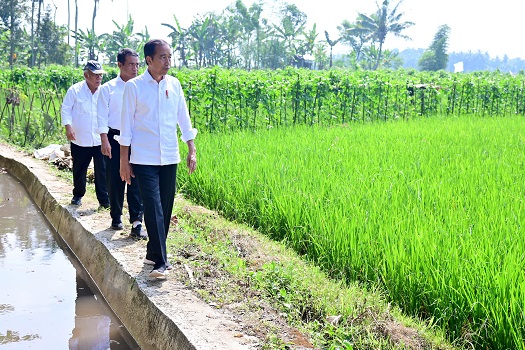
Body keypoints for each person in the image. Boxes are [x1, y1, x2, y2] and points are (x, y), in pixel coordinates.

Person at [119, 39, 197, 279]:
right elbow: (126, 127)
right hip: (143, 158)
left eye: (170, 57)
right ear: (149, 60)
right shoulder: (134, 87)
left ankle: (153, 252)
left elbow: (183, 117)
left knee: (165, 206)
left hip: (169, 156)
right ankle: (161, 263)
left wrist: (191, 149)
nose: (168, 62)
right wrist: (124, 160)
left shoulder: (174, 85)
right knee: (152, 207)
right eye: (162, 57)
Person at [97, 48, 145, 239]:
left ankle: (136, 222)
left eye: (137, 65)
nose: (135, 68)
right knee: (115, 179)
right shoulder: (108, 89)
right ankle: (116, 216)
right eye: (131, 64)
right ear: (120, 65)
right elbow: (101, 116)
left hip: (136, 137)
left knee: (136, 179)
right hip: (114, 137)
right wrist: (104, 140)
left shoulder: (141, 87)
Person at [61, 60, 109, 208]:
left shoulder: (104, 92)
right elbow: (66, 109)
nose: (99, 78)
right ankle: (78, 194)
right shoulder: (75, 91)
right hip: (80, 139)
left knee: (102, 171)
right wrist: (68, 127)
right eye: (95, 75)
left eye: (100, 75)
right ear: (86, 75)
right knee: (79, 169)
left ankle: (104, 200)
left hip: (100, 139)